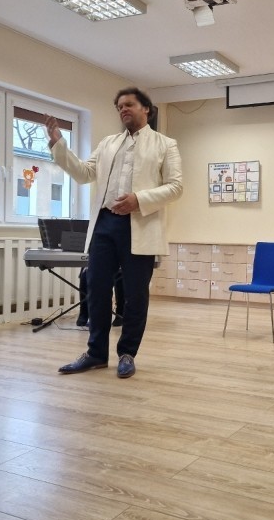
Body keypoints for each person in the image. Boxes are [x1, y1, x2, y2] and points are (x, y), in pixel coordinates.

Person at [45, 87, 183, 378]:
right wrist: (59, 146)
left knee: (135, 295)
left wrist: (139, 199)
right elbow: (84, 173)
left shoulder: (165, 144)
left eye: (129, 104)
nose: (123, 110)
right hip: (104, 225)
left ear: (146, 109)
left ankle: (127, 353)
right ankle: (95, 354)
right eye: (119, 106)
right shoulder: (108, 143)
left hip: (139, 224)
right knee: (95, 288)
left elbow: (175, 186)